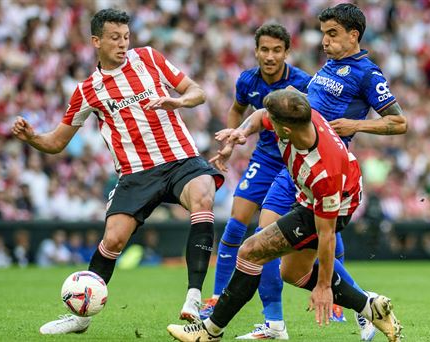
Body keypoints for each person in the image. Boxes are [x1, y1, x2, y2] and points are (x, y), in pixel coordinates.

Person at [11, 9, 223, 334]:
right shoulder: (87, 91)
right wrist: (33, 138)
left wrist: (179, 102)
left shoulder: (149, 58)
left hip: (180, 158)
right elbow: (56, 142)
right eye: (114, 38)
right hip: (136, 173)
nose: (123, 44)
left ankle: (194, 298)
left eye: (126, 37)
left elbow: (198, 91)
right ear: (96, 41)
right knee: (113, 239)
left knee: (203, 197)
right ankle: (81, 319)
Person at [208, 4, 409, 340]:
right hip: (294, 167)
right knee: (282, 260)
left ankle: (281, 321)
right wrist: (241, 132)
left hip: (323, 172)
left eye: (332, 34)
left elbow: (399, 122)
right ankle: (352, 308)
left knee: (268, 245)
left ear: (353, 35)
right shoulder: (330, 66)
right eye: (323, 33)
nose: (325, 41)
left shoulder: (367, 73)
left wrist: (357, 124)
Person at [168, 90, 402, 342]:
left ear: (286, 130)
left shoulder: (324, 173)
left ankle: (210, 331)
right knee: (292, 272)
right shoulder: (300, 121)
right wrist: (242, 132)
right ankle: (370, 307)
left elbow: (327, 235)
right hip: (312, 195)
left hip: (328, 204)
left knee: (250, 252)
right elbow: (259, 116)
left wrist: (323, 287)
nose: (269, 121)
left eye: (274, 120)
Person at [201, 23, 312, 339]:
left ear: (286, 52)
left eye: (277, 50)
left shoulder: (302, 83)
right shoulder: (247, 80)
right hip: (264, 159)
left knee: (276, 235)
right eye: (264, 49)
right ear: (256, 50)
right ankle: (217, 297)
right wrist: (231, 142)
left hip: (293, 163)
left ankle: (277, 317)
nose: (270, 56)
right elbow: (237, 110)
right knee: (236, 223)